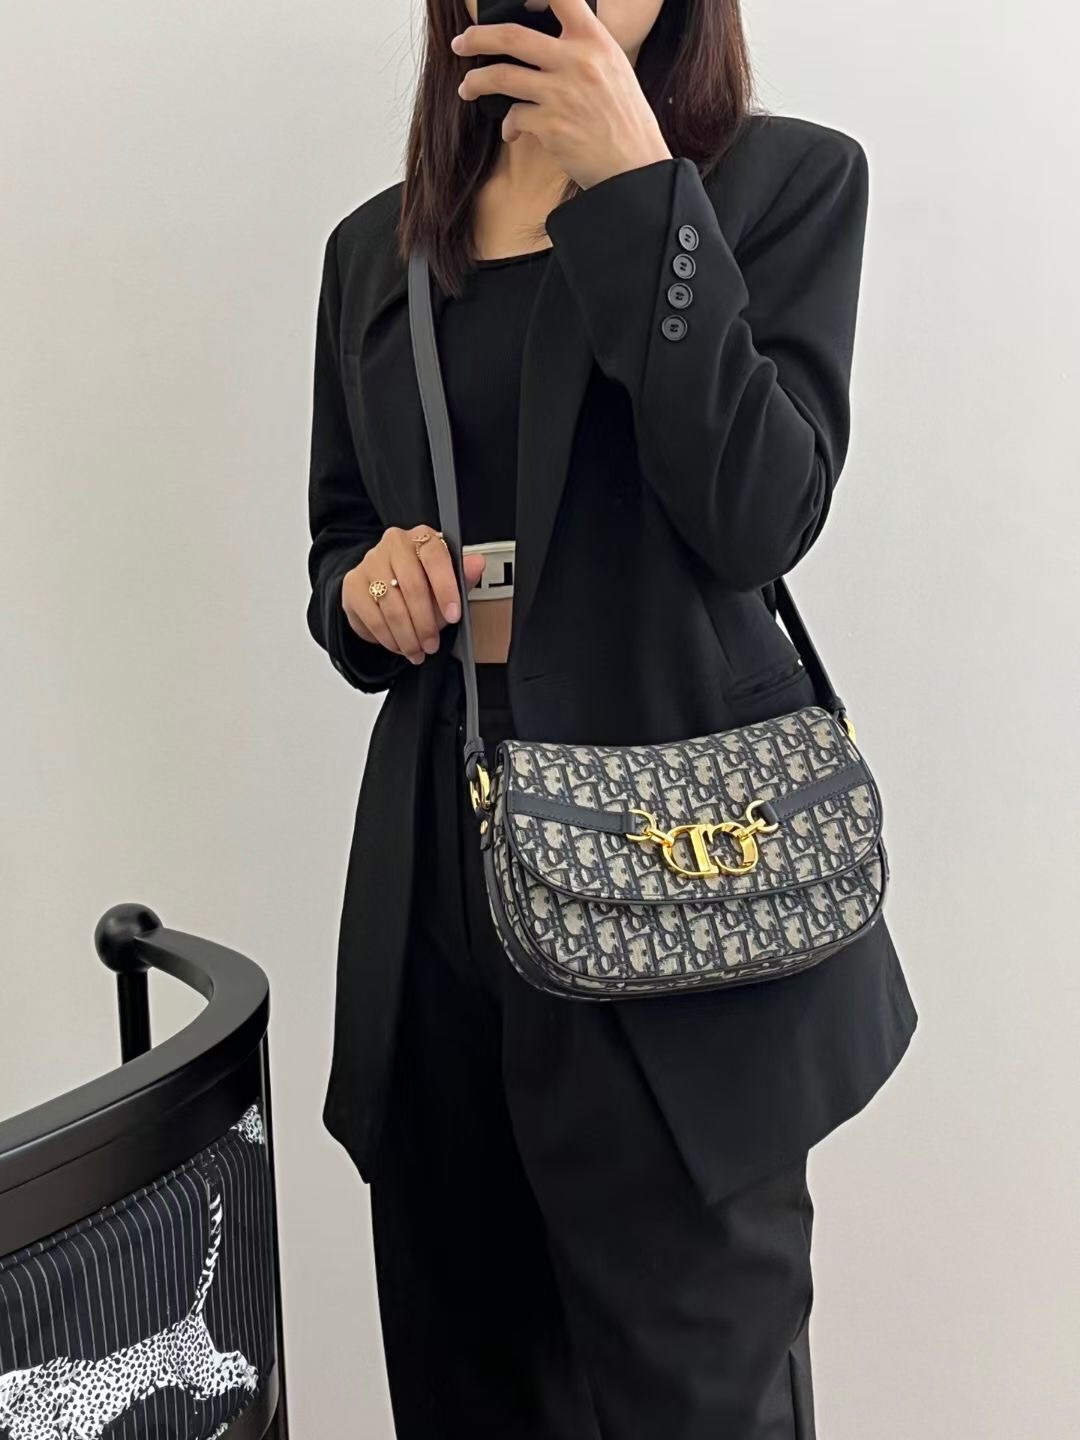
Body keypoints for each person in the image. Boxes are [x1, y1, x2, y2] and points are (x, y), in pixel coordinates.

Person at [305, 0, 918, 1434]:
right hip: (439, 906)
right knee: (469, 1392)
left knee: (702, 1400)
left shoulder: (783, 183)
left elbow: (762, 513)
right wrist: (364, 592)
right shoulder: (376, 250)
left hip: (679, 906)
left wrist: (642, 191)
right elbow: (336, 543)